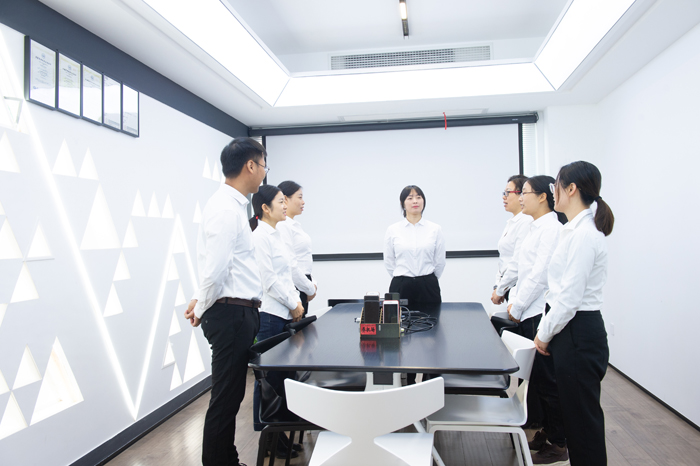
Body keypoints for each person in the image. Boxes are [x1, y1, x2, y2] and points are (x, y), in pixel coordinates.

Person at [184, 137, 268, 466]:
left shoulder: (232, 206)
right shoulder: (225, 209)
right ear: (250, 165)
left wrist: (200, 299)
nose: (264, 172)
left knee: (231, 396)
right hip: (231, 313)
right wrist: (202, 305)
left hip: (235, 311)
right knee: (225, 397)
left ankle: (227, 460)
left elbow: (221, 267)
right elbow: (216, 269)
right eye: (263, 165)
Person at [533, 161, 614, 466]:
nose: (553, 192)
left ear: (571, 188)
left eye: (555, 185)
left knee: (582, 423)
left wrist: (543, 333)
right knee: (577, 418)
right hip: (573, 329)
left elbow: (568, 297)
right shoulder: (574, 231)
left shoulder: (584, 235)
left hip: (578, 330)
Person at [493, 175, 566, 455]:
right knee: (536, 380)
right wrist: (509, 296)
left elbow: (540, 275)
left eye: (524, 192)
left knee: (548, 381)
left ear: (543, 196)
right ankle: (546, 431)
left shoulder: (551, 229)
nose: (520, 198)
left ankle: (558, 442)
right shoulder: (534, 227)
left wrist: (518, 306)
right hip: (526, 312)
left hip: (537, 312)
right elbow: (519, 267)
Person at [249, 184, 305, 458]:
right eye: (280, 201)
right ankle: (268, 438)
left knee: (283, 378)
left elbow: (287, 273)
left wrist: (296, 302)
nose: (285, 206)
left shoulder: (278, 234)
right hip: (270, 315)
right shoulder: (259, 237)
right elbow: (269, 280)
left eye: (285, 201)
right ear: (265, 208)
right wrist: (293, 303)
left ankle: (279, 433)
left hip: (284, 314)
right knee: (269, 380)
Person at [384, 185, 445, 385]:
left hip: (428, 285)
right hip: (401, 285)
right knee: (402, 335)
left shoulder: (434, 229)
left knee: (432, 332)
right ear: (403, 203)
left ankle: (430, 380)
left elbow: (439, 262)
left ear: (424, 201)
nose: (415, 201)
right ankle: (406, 382)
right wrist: (404, 278)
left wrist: (425, 279)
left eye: (418, 197)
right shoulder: (393, 230)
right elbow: (389, 262)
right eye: (410, 198)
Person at [277, 180, 317, 317]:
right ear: (285, 199)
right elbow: (290, 265)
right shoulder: (283, 225)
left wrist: (312, 284)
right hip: (295, 286)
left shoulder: (294, 225)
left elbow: (304, 260)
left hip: (303, 284)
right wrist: (310, 289)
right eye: (299, 197)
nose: (303, 202)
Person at [491, 175, 532, 307]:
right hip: (508, 286)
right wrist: (498, 286)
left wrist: (501, 289)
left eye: (508, 193)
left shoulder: (526, 221)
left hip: (518, 288)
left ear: (522, 195)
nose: (504, 197)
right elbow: (503, 259)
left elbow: (517, 262)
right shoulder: (512, 222)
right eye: (504, 193)